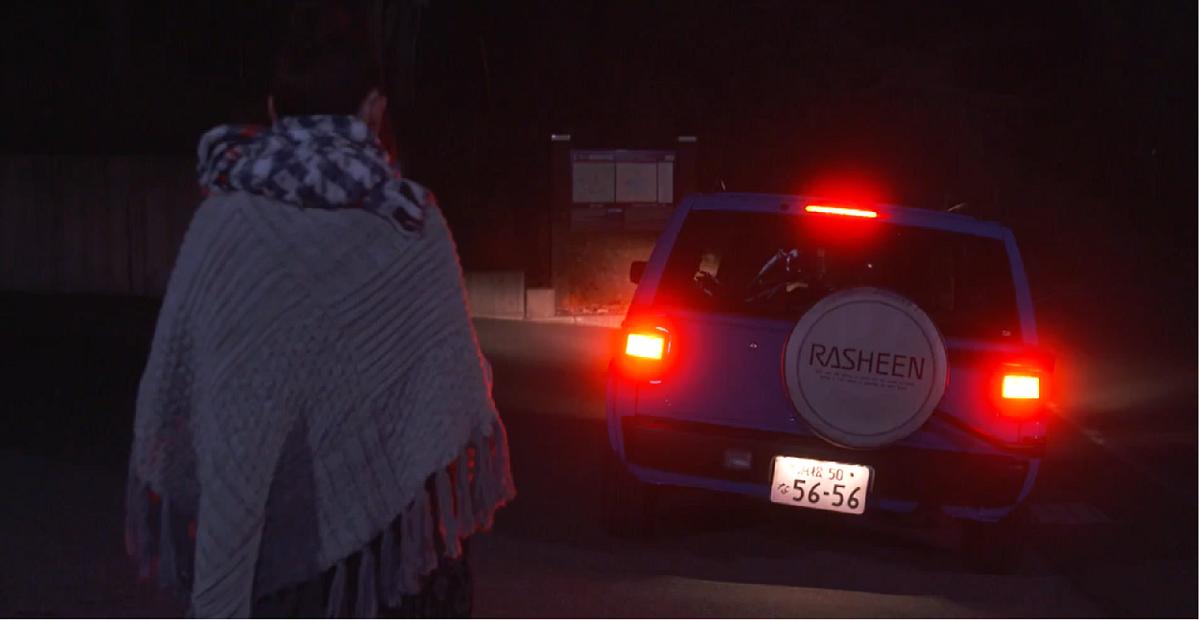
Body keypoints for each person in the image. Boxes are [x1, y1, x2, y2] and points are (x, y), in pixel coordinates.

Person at [124, 3, 514, 617]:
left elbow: (199, 402)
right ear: (374, 109)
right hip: (388, 578)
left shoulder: (221, 229)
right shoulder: (412, 226)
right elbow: (453, 393)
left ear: (273, 110)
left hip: (273, 590)